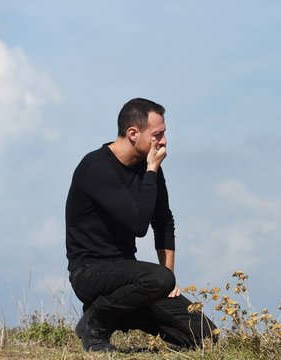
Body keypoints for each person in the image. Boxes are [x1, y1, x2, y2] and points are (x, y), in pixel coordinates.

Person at [65, 98, 216, 351]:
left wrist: (168, 281)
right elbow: (138, 223)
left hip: (129, 277)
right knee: (157, 279)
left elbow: (164, 222)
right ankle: (96, 320)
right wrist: (152, 171)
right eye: (158, 135)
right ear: (133, 133)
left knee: (207, 337)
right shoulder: (96, 167)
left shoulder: (149, 169)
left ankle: (120, 313)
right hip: (90, 272)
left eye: (164, 134)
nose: (164, 142)